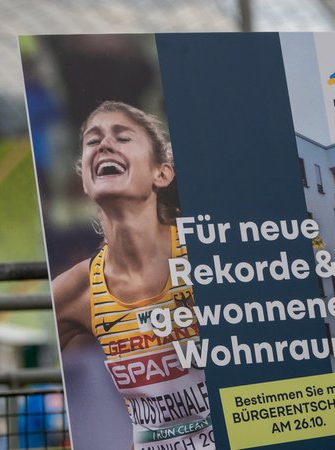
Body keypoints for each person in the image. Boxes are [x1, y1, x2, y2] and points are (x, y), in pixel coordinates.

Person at [52, 101, 214, 449]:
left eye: (122, 137)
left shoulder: (208, 252)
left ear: (162, 173)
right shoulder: (78, 289)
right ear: (84, 178)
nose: (105, 145)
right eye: (93, 141)